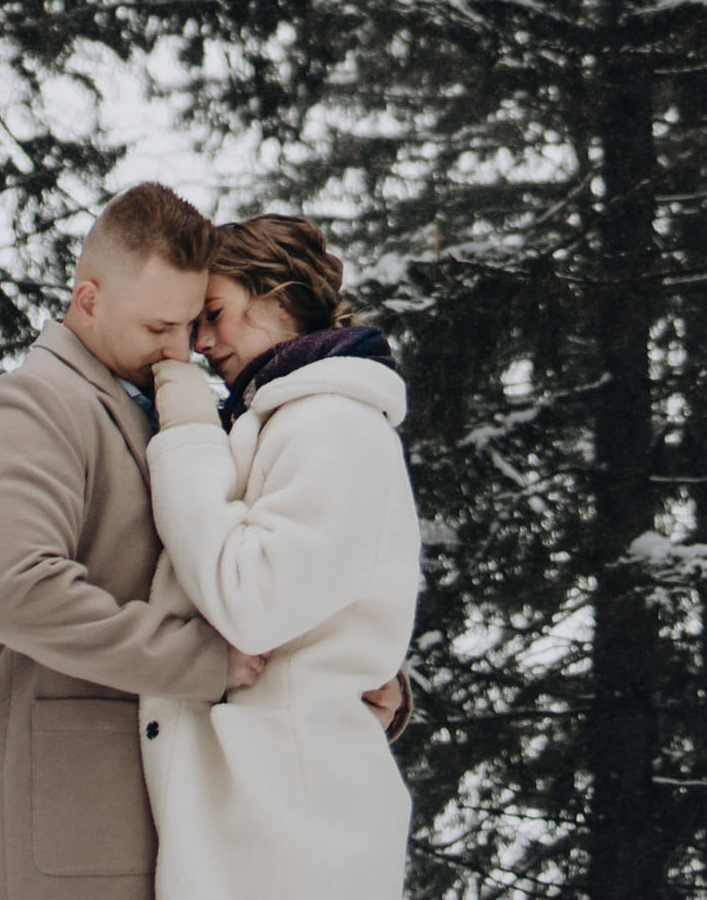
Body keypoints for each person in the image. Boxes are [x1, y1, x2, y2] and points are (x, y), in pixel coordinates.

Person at [0, 183, 257, 900]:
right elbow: (23, 594)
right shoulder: (33, 403)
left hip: (169, 823)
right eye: (158, 327)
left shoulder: (174, 412)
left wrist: (345, 677)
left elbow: (243, 564)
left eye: (190, 324)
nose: (181, 348)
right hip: (67, 829)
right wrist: (201, 660)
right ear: (87, 300)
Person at [137, 215, 422, 900]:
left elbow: (254, 602)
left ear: (277, 293)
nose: (202, 344)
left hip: (295, 835)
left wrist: (187, 432)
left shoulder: (333, 421)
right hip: (273, 819)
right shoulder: (291, 418)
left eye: (214, 315)